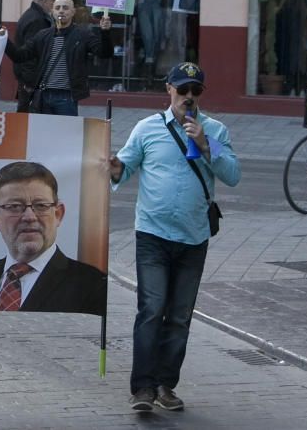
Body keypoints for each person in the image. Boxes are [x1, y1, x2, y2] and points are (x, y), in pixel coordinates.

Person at [108, 62, 240, 413]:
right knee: (151, 309)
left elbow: (233, 174)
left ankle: (166, 384)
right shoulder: (147, 128)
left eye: (195, 91)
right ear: (169, 89)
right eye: (183, 90)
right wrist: (114, 167)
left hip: (193, 237)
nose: (189, 97)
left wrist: (206, 144)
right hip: (152, 233)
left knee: (179, 315)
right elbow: (126, 166)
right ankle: (143, 389)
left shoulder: (215, 129)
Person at [0, 161, 105, 314]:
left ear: (58, 214)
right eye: (14, 207)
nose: (29, 216)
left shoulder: (93, 286)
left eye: (41, 206)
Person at [1, 0, 113, 115]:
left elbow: (104, 53)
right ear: (52, 12)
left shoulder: (82, 34)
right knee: (43, 132)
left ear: (73, 12)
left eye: (65, 8)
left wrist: (105, 32)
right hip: (43, 95)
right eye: (58, 8)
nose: (61, 11)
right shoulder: (43, 35)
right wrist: (3, 39)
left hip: (66, 97)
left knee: (65, 133)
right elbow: (19, 56)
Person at [11, 0, 60, 112]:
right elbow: (30, 54)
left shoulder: (34, 15)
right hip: (31, 78)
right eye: (52, 1)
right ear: (44, 1)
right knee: (28, 113)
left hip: (29, 76)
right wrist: (30, 82)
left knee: (28, 111)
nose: (54, 5)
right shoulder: (37, 20)